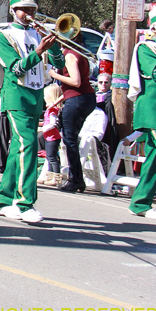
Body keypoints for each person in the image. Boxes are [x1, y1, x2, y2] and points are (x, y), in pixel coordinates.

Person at [0, 0, 63, 224]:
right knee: (29, 145)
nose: (28, 14)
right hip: (16, 97)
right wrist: (40, 49)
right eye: (23, 9)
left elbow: (58, 65)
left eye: (32, 9)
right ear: (13, 10)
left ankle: (1, 200)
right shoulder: (3, 35)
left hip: (35, 97)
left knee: (18, 150)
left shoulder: (37, 33)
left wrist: (57, 43)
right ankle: (24, 202)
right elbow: (16, 68)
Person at [126, 6, 156, 221]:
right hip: (155, 111)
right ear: (154, 27)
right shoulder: (146, 47)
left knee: (154, 159)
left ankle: (140, 203)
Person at [49, 31, 96, 193]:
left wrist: (55, 75)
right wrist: (56, 101)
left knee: (70, 140)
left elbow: (75, 81)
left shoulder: (69, 55)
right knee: (71, 139)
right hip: (84, 97)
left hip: (78, 98)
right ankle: (77, 178)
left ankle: (75, 179)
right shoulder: (79, 53)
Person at [38, 84, 64, 187]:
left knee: (52, 157)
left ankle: (56, 178)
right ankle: (48, 176)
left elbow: (53, 123)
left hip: (53, 137)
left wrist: (44, 128)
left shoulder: (53, 110)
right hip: (48, 137)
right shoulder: (49, 109)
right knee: (49, 157)